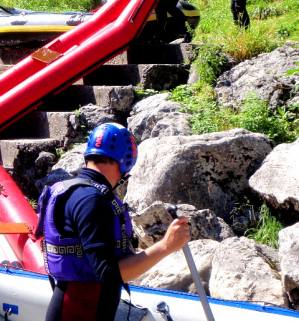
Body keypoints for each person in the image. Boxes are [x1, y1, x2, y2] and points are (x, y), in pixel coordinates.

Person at [37, 123, 191, 321]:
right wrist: (167, 246)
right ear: (124, 161)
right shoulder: (91, 200)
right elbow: (108, 275)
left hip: (72, 305)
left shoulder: (72, 190)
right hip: (82, 311)